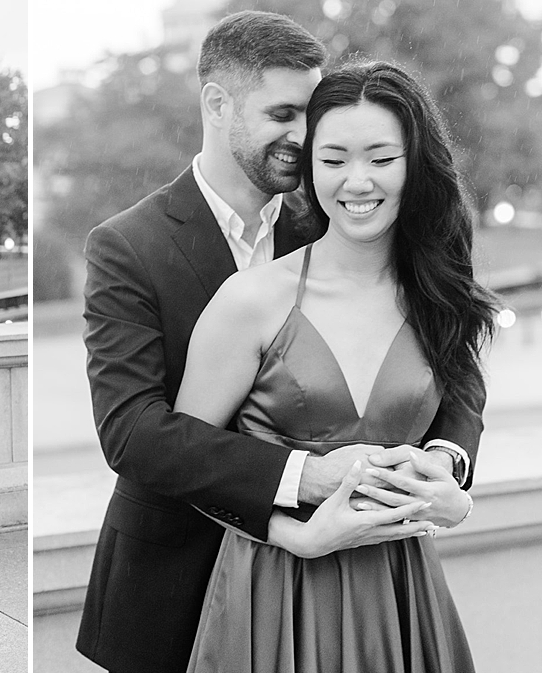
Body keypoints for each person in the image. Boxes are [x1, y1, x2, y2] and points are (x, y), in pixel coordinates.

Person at [77, 12, 486, 673]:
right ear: (217, 104)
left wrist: (447, 463)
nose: (303, 136)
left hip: (367, 581)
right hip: (174, 573)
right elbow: (133, 430)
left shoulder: (341, 219)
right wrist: (302, 486)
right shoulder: (129, 245)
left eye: (311, 114)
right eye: (285, 113)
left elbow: (451, 366)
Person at [178, 60, 497, 671]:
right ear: (309, 168)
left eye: (381, 159)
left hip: (403, 586)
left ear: (415, 163)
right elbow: (190, 459)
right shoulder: (250, 301)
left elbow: (460, 412)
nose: (357, 181)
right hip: (275, 593)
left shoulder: (438, 293)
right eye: (334, 160)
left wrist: (450, 484)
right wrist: (289, 533)